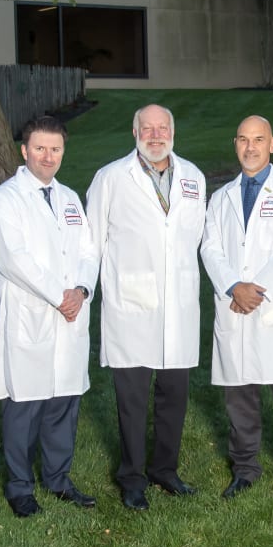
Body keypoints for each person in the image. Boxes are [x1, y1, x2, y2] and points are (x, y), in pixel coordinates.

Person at [86, 103, 206, 511]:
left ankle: (165, 469)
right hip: (131, 305)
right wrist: (85, 289)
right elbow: (92, 243)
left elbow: (193, 237)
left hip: (180, 303)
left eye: (163, 127)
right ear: (134, 131)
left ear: (173, 131)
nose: (156, 135)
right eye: (147, 128)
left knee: (175, 393)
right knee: (133, 399)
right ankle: (132, 476)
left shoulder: (193, 178)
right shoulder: (111, 179)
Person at [0, 116, 100, 518]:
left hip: (69, 313)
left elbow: (88, 251)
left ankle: (58, 478)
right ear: (24, 151)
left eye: (55, 149)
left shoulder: (69, 198)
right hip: (30, 314)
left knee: (64, 402)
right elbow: (15, 259)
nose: (48, 157)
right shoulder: (5, 200)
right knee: (25, 404)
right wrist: (58, 295)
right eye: (40, 149)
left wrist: (81, 290)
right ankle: (19, 487)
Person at [200, 116, 273, 500]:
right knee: (240, 397)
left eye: (259, 140)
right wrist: (234, 286)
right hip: (235, 304)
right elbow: (210, 248)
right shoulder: (221, 197)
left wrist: (257, 290)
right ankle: (245, 468)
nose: (251, 147)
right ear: (235, 144)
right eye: (244, 140)